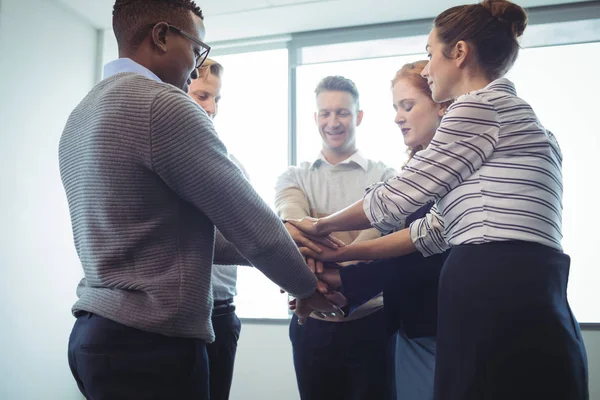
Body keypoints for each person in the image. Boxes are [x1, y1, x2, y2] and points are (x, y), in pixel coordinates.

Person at [289, 1, 589, 399]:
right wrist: (340, 256)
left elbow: (397, 197)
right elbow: (434, 230)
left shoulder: (476, 108)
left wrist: (320, 227)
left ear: (460, 53)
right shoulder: (526, 121)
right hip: (538, 286)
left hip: (490, 285)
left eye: (431, 53)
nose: (427, 67)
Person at [60, 1, 338, 399]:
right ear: (161, 36)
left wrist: (294, 237)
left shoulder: (81, 114)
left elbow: (185, 236)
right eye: (196, 48)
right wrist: (307, 288)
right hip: (151, 346)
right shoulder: (163, 104)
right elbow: (252, 227)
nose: (196, 63)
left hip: (94, 336)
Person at [303, 61, 451, 400]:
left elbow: (425, 251)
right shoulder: (417, 166)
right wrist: (339, 257)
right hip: (411, 327)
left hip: (436, 326)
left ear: (442, 104)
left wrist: (337, 260)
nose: (398, 116)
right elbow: (416, 239)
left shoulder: (442, 170)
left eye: (408, 106)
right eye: (396, 107)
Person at [275, 75, 397, 400]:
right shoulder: (293, 176)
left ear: (358, 117)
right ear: (315, 119)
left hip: (373, 323)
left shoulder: (386, 178)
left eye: (342, 112)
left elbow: (371, 247)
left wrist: (317, 264)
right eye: (325, 113)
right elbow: (291, 225)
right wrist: (316, 245)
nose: (333, 121)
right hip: (312, 327)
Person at [188, 58, 246, 400]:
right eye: (202, 96)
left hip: (221, 315)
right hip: (175, 322)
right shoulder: (160, 158)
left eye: (216, 99)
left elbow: (253, 233)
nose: (211, 108)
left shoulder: (231, 165)